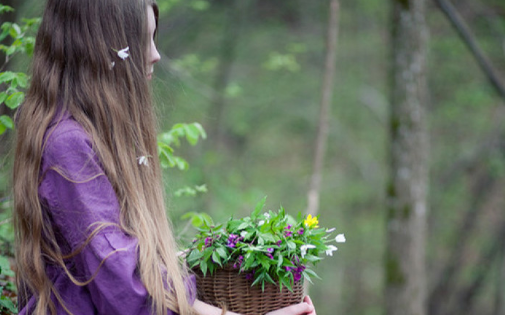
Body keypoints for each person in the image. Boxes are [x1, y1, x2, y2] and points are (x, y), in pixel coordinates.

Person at [12, 0, 317, 314]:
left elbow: (125, 264)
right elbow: (125, 289)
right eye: (143, 40)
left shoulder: (88, 136)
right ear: (102, 49)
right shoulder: (67, 143)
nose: (155, 54)